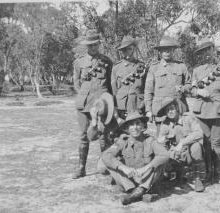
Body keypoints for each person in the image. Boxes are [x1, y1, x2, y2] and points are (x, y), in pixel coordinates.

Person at [72, 29, 116, 179]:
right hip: (84, 105)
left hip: (102, 103)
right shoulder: (79, 62)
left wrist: (110, 103)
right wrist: (84, 94)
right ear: (86, 46)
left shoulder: (106, 61)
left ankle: (106, 166)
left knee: (104, 135)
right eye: (90, 45)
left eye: (95, 45)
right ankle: (81, 167)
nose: (93, 48)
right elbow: (76, 83)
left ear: (99, 44)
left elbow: (111, 84)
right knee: (84, 135)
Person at [102, 111, 169, 205]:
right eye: (131, 125)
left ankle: (139, 191)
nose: (135, 127)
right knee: (111, 163)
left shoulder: (150, 140)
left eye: (138, 124)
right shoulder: (122, 141)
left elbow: (165, 154)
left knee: (159, 163)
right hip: (129, 179)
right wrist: (123, 168)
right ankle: (136, 192)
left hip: (146, 178)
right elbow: (106, 155)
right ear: (126, 129)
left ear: (143, 126)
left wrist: (146, 167)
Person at [190, 39, 220, 184]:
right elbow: (192, 90)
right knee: (205, 143)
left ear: (213, 50)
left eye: (208, 50)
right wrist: (199, 91)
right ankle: (209, 173)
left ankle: (218, 173)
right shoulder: (196, 71)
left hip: (217, 111)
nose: (206, 54)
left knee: (216, 142)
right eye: (203, 52)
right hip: (201, 111)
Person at [144, 36, 191, 135]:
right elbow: (148, 90)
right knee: (162, 140)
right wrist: (148, 110)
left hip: (178, 109)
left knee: (181, 138)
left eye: (169, 49)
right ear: (160, 52)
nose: (166, 52)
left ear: (173, 50)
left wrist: (183, 88)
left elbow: (189, 84)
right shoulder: (154, 68)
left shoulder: (181, 66)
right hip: (160, 110)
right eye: (163, 50)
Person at [156, 97, 205, 192]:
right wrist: (162, 141)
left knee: (196, 147)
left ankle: (197, 178)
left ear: (177, 108)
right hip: (178, 153)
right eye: (167, 111)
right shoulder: (165, 124)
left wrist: (182, 142)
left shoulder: (188, 118)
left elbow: (199, 133)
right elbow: (161, 141)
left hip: (190, 151)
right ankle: (177, 175)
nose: (170, 112)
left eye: (171, 109)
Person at [111, 37, 147, 120]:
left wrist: (143, 104)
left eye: (129, 49)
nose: (126, 52)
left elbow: (147, 89)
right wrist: (115, 106)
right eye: (124, 50)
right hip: (122, 106)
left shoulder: (141, 66)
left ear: (133, 49)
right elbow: (114, 90)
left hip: (138, 105)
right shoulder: (116, 67)